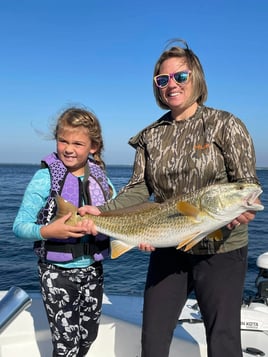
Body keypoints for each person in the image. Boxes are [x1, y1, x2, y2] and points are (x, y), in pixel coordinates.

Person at [78, 39, 262, 357]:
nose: (171, 84)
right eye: (162, 80)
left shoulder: (226, 125)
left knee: (223, 339)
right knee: (153, 336)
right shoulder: (150, 136)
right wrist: (102, 212)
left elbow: (246, 183)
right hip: (167, 241)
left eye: (181, 76)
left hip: (221, 247)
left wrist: (242, 210)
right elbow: (138, 188)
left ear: (197, 78)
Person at [13, 107, 116, 357]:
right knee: (65, 345)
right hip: (55, 274)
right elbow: (20, 226)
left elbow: (118, 217)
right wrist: (49, 230)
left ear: (94, 147)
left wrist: (142, 237)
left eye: (78, 143)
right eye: (63, 141)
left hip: (93, 269)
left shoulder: (101, 178)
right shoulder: (44, 178)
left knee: (88, 336)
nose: (68, 148)